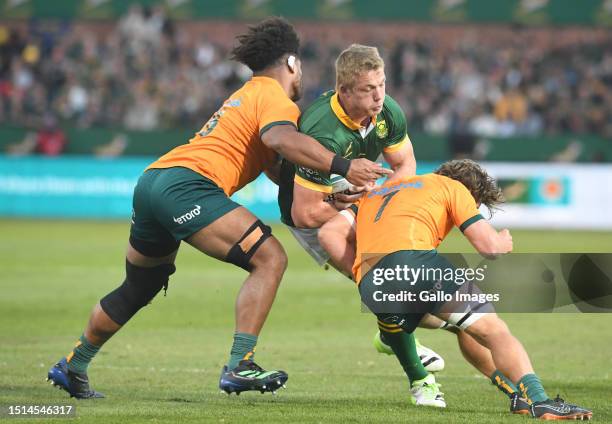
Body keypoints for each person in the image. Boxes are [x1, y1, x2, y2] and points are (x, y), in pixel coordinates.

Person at [46, 17, 390, 399]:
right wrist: (344, 166)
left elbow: (283, 173)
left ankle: (73, 365)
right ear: (292, 63)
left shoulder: (247, 95)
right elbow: (281, 138)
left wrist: (329, 196)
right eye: (301, 64)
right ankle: (241, 364)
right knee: (270, 259)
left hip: (153, 182)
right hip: (188, 185)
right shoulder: (275, 98)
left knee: (139, 285)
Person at [278, 44, 514, 406]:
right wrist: (363, 205)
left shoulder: (388, 112)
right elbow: (306, 214)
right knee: (361, 258)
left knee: (436, 311)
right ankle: (412, 363)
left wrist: (382, 208)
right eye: (368, 89)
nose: (379, 96)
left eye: (382, 85)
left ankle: (396, 333)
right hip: (313, 204)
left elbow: (405, 166)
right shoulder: (322, 132)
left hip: (360, 195)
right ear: (344, 91)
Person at [323, 159, 592, 419]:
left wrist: (362, 274)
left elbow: (328, 234)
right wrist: (502, 242)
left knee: (460, 325)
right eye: (476, 205)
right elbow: (489, 248)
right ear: (471, 192)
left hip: (374, 283)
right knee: (494, 330)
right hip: (418, 265)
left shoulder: (379, 192)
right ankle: (540, 402)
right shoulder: (453, 188)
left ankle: (514, 394)